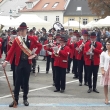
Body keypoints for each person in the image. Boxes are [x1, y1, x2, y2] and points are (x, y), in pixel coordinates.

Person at [2, 22, 42, 107]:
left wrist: (34, 55)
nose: (21, 31)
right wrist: (6, 61)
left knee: (25, 82)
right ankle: (15, 100)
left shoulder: (32, 38)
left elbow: (39, 46)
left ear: (26, 30)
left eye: (22, 30)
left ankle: (25, 99)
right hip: (18, 63)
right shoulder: (17, 40)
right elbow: (11, 51)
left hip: (27, 63)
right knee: (17, 82)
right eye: (20, 30)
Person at [100, 38, 110, 104]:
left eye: (108, 44)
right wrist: (102, 70)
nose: (107, 45)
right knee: (105, 85)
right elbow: (101, 62)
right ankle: (106, 98)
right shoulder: (103, 53)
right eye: (106, 44)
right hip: (106, 70)